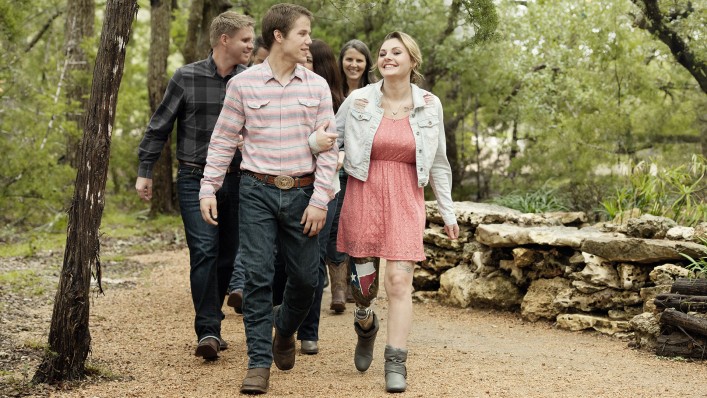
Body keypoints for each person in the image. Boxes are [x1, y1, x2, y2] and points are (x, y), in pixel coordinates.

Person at [198, 3, 338, 394]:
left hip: (303, 193)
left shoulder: (317, 86)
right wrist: (208, 187)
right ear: (279, 36)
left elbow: (328, 149)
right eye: (303, 34)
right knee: (257, 278)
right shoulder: (242, 85)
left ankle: (285, 329)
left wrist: (320, 199)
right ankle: (258, 363)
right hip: (255, 190)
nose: (309, 41)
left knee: (308, 279)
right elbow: (224, 139)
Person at [335, 31, 459, 393]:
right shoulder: (359, 100)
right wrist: (321, 152)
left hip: (406, 198)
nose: (387, 57)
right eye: (383, 52)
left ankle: (395, 362)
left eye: (396, 52)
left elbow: (439, 162)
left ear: (412, 61)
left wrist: (448, 212)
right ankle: (365, 322)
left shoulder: (430, 104)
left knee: (399, 281)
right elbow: (330, 138)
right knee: (365, 288)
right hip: (363, 193)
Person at [135, 11, 254, 360]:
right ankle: (208, 330)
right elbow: (160, 126)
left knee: (229, 256)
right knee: (204, 250)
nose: (252, 45)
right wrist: (146, 170)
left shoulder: (250, 81)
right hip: (193, 178)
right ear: (224, 40)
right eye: (246, 40)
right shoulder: (186, 77)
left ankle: (212, 320)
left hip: (239, 180)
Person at [271, 39, 344, 356]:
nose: (301, 64)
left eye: (309, 60)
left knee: (312, 264)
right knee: (278, 261)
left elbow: (340, 151)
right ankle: (280, 323)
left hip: (325, 189)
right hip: (282, 188)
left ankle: (309, 331)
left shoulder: (339, 103)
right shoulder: (281, 93)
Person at [326, 39, 379, 312]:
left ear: (367, 64)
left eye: (359, 60)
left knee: (357, 226)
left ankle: (353, 286)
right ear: (341, 61)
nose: (354, 64)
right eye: (349, 59)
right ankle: (338, 289)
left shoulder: (375, 94)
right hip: (334, 168)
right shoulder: (330, 91)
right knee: (335, 225)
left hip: (361, 168)